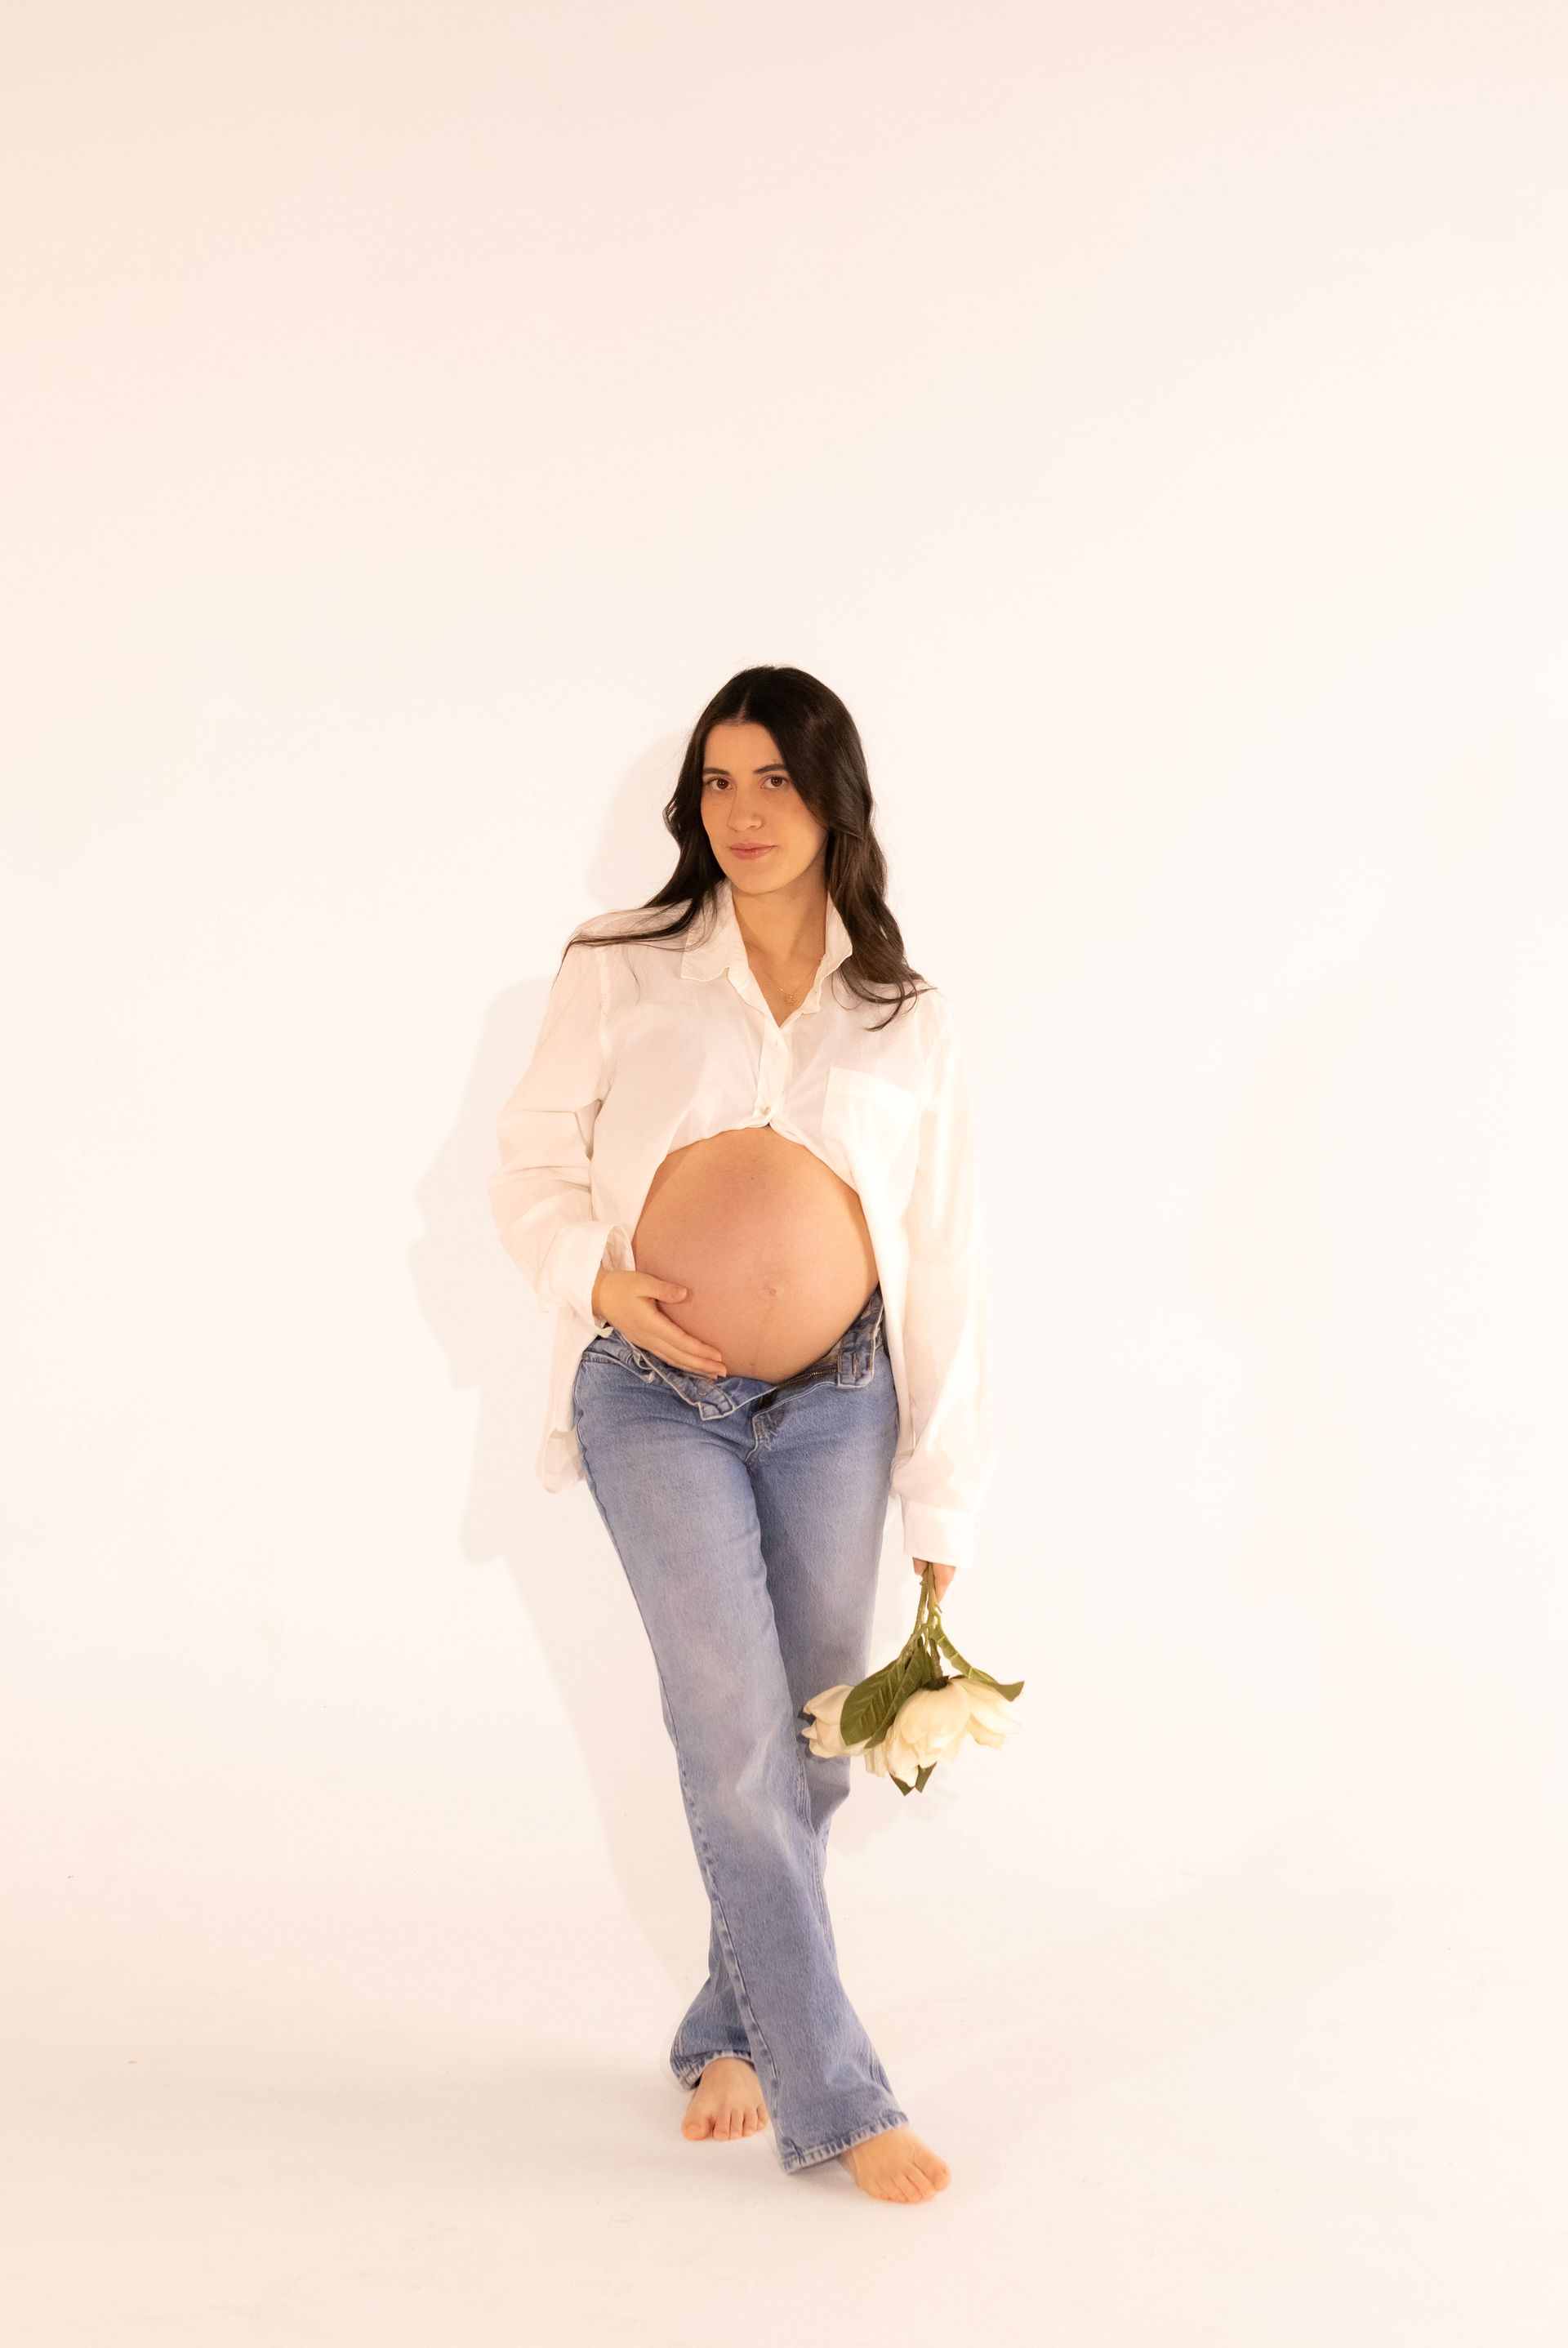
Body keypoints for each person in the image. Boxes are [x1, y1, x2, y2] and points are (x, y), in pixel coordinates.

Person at [486, 665, 991, 2202]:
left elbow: (947, 1257)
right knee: (730, 1745)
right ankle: (836, 2095)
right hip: (655, 1399)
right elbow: (526, 1169)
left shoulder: (903, 1013)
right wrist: (604, 1287)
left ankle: (729, 2021)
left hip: (844, 1402)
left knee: (816, 1746)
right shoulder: (623, 962)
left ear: (833, 795)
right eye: (718, 781)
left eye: (774, 778)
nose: (742, 811)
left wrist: (942, 1512)